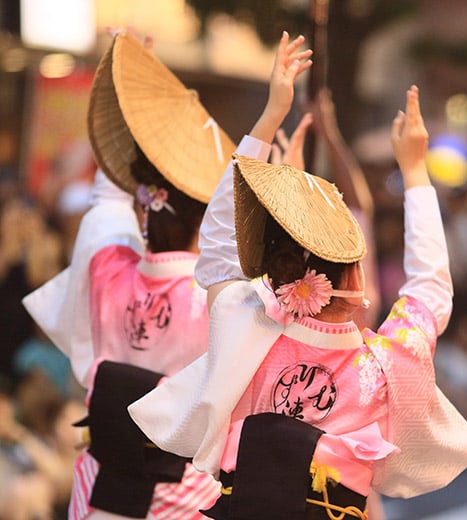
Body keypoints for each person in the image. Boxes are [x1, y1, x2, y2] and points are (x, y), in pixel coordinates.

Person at [128, 84, 467, 519]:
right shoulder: (382, 364)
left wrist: (269, 119)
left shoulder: (248, 332)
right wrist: (414, 172)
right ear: (356, 276)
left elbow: (219, 248)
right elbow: (430, 287)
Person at [22, 30, 312, 519]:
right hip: (180, 499)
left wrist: (132, 98)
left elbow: (108, 197)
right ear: (205, 225)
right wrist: (277, 154)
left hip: (97, 492)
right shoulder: (212, 299)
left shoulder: (107, 267)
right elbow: (224, 236)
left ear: (145, 211)